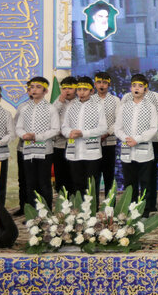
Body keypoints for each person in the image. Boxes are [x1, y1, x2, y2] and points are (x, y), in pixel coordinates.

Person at [115, 74, 158, 211]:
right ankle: (131, 208)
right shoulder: (124, 107)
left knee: (146, 182)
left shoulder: (150, 107)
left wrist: (138, 139)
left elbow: (153, 128)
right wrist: (125, 138)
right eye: (134, 86)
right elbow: (118, 127)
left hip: (144, 150)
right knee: (129, 183)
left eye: (140, 86)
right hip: (128, 149)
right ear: (130, 88)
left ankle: (144, 210)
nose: (137, 89)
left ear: (145, 89)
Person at [15, 76, 60, 210]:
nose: (34, 90)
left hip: (45, 151)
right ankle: (31, 213)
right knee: (30, 182)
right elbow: (18, 127)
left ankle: (45, 213)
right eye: (32, 87)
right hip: (28, 150)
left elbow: (55, 129)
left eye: (38, 87)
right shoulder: (24, 108)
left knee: (43, 182)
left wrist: (37, 136)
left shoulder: (51, 109)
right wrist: (24, 135)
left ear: (45, 91)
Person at [61, 76, 107, 196]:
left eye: (85, 89)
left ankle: (92, 210)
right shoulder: (71, 106)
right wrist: (69, 133)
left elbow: (103, 128)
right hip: (74, 150)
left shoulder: (98, 107)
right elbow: (64, 127)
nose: (81, 92)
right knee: (77, 183)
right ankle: (78, 210)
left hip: (91, 153)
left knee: (91, 184)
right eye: (79, 89)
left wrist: (83, 133)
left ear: (92, 91)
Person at [94, 72, 120, 198]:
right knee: (94, 176)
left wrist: (107, 132)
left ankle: (110, 206)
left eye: (104, 83)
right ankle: (93, 206)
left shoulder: (115, 100)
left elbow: (119, 120)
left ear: (109, 85)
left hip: (109, 142)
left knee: (109, 175)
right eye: (99, 82)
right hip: (93, 143)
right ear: (95, 84)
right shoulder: (90, 100)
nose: (101, 85)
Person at [52, 76, 77, 194]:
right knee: (60, 174)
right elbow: (50, 116)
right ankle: (61, 201)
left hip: (74, 143)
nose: (67, 91)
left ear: (76, 89)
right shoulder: (58, 101)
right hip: (59, 144)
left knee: (73, 174)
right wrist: (60, 101)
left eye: (70, 88)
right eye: (64, 88)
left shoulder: (79, 102)